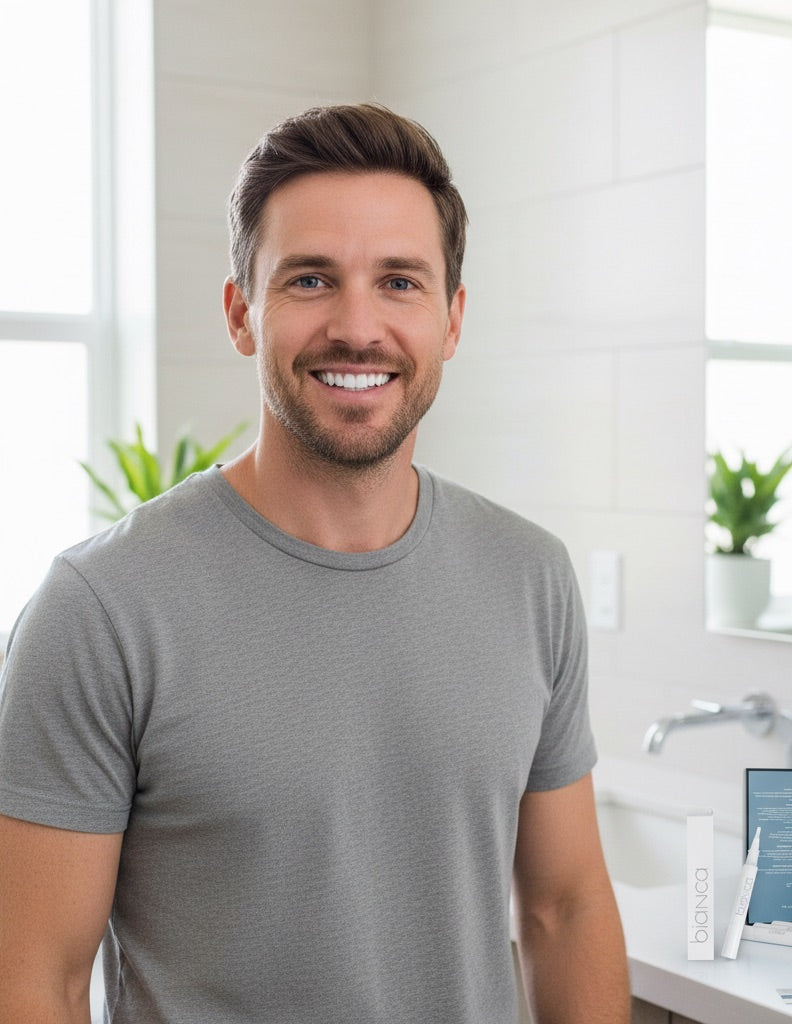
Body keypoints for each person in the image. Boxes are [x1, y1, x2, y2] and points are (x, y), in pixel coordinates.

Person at [0, 104, 630, 1023]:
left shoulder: (529, 576)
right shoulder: (102, 609)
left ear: (451, 320)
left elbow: (563, 909)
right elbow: (34, 981)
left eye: (401, 282)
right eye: (309, 279)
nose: (358, 326)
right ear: (240, 313)